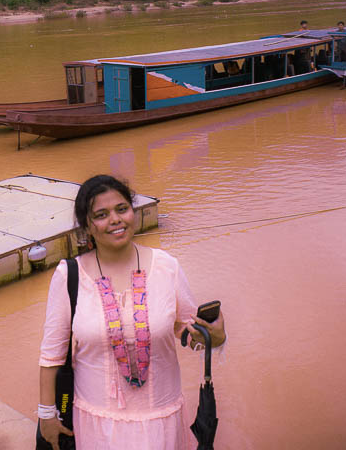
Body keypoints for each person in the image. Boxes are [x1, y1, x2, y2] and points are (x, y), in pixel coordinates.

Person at [38, 175, 226, 449]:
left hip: (160, 420)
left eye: (122, 209)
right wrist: (46, 415)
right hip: (97, 424)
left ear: (133, 213)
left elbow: (189, 332)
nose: (115, 220)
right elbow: (51, 355)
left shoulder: (166, 267)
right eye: (101, 215)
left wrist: (216, 337)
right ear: (87, 226)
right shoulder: (69, 276)